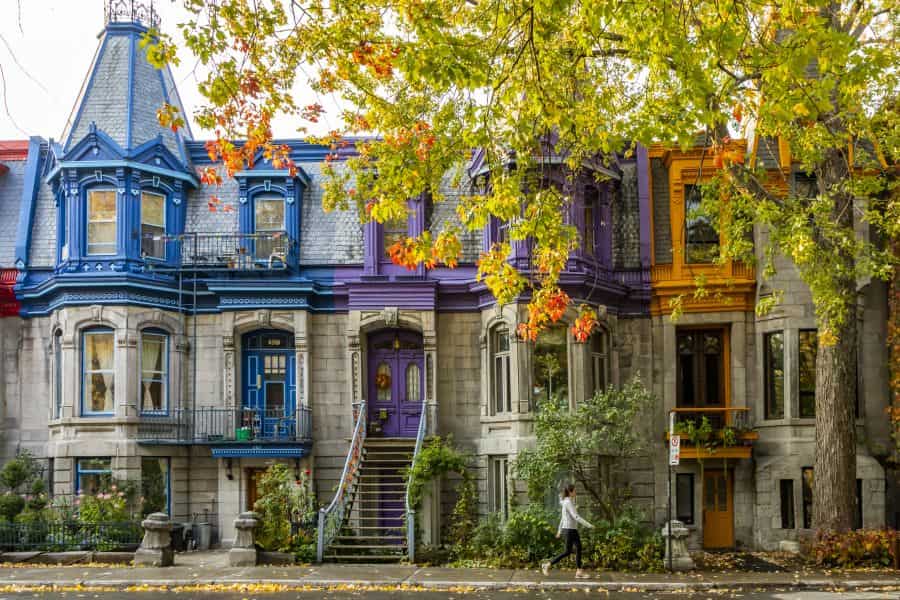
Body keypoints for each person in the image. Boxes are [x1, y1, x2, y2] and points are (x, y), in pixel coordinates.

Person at [542, 483, 593, 579]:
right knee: (568, 551)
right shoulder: (568, 502)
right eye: (574, 490)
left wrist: (559, 531)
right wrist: (588, 525)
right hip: (570, 530)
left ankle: (579, 571)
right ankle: (547, 565)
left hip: (571, 529)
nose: (576, 492)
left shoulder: (568, 501)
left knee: (578, 548)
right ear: (570, 492)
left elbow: (563, 518)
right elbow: (576, 516)